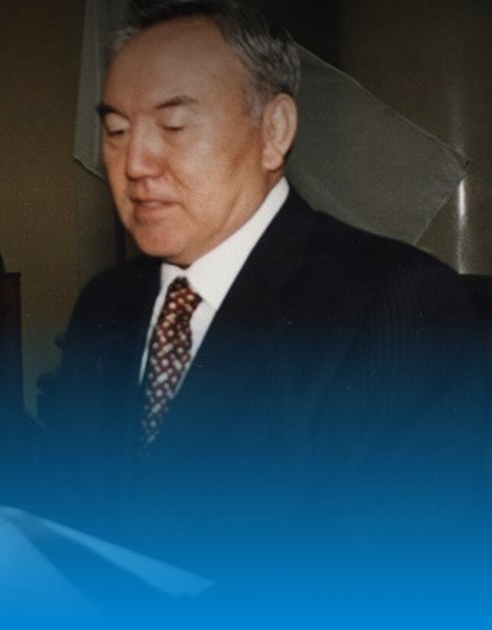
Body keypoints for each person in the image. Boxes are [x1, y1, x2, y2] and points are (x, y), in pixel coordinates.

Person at [39, 0, 489, 621]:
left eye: (174, 126)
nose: (134, 163)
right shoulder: (104, 304)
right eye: (116, 130)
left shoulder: (395, 306)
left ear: (274, 131)